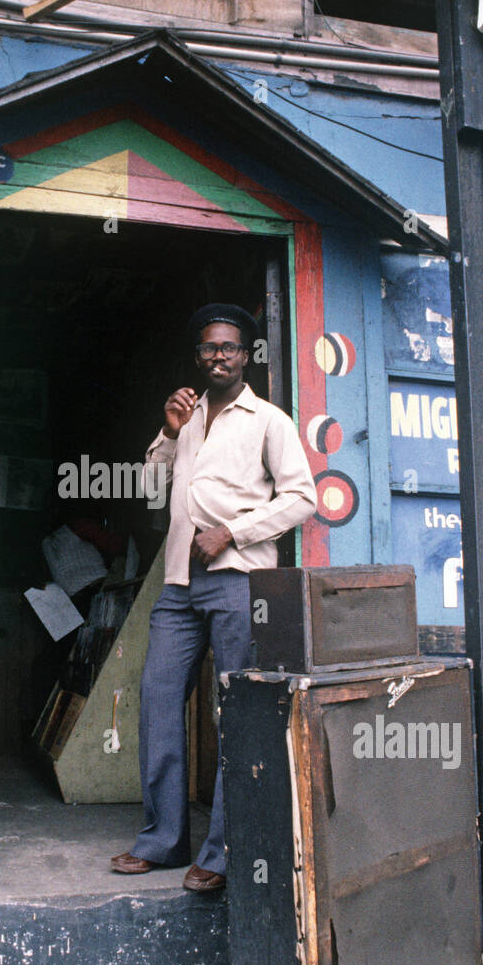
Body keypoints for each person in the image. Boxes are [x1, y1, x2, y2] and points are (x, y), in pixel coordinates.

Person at [111, 303, 317, 892]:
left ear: (246, 356)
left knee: (237, 714)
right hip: (178, 582)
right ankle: (163, 840)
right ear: (198, 357)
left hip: (238, 581)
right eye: (208, 349)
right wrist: (169, 434)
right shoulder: (188, 417)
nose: (218, 356)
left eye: (229, 347)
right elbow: (150, 490)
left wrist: (234, 531)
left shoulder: (269, 421)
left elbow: (304, 499)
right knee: (157, 701)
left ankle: (224, 852)